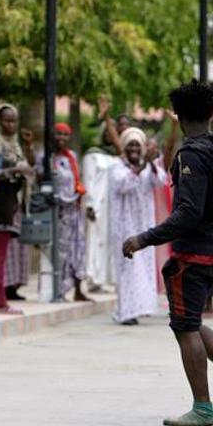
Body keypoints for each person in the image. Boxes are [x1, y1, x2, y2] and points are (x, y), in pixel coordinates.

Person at [122, 80, 213, 426]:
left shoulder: (192, 154)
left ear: (179, 117)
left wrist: (144, 238)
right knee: (193, 323)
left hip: (194, 253)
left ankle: (202, 407)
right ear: (210, 113)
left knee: (185, 329)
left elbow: (187, 213)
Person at [110, 127, 166, 325]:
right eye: (130, 145)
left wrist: (150, 162)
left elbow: (161, 180)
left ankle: (140, 308)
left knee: (144, 270)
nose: (134, 148)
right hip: (124, 228)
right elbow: (124, 183)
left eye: (137, 145)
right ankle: (125, 312)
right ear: (124, 148)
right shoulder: (116, 167)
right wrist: (143, 164)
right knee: (128, 269)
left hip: (144, 228)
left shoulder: (147, 167)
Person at [0, 104, 32, 314]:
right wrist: (14, 170)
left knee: (3, 253)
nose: (11, 124)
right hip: (0, 199)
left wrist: (28, 148)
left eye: (14, 120)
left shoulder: (14, 143)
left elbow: (28, 164)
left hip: (13, 200)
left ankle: (0, 300)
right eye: (7, 120)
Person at [37, 123, 90, 301]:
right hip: (57, 213)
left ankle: (77, 289)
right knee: (60, 251)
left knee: (78, 249)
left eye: (65, 135)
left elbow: (77, 180)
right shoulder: (45, 157)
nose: (61, 138)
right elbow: (39, 179)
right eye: (58, 134)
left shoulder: (71, 157)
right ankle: (57, 290)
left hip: (74, 210)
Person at [83, 97, 122, 293]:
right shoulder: (93, 154)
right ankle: (93, 278)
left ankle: (109, 279)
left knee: (111, 242)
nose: (109, 134)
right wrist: (89, 204)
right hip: (98, 206)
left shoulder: (118, 157)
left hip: (113, 206)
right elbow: (89, 181)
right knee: (96, 241)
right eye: (107, 130)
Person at [3, 124, 36, 302]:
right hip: (3, 204)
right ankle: (1, 287)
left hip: (19, 205)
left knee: (19, 249)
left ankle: (14, 286)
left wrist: (29, 145)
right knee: (4, 249)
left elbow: (30, 165)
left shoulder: (18, 148)